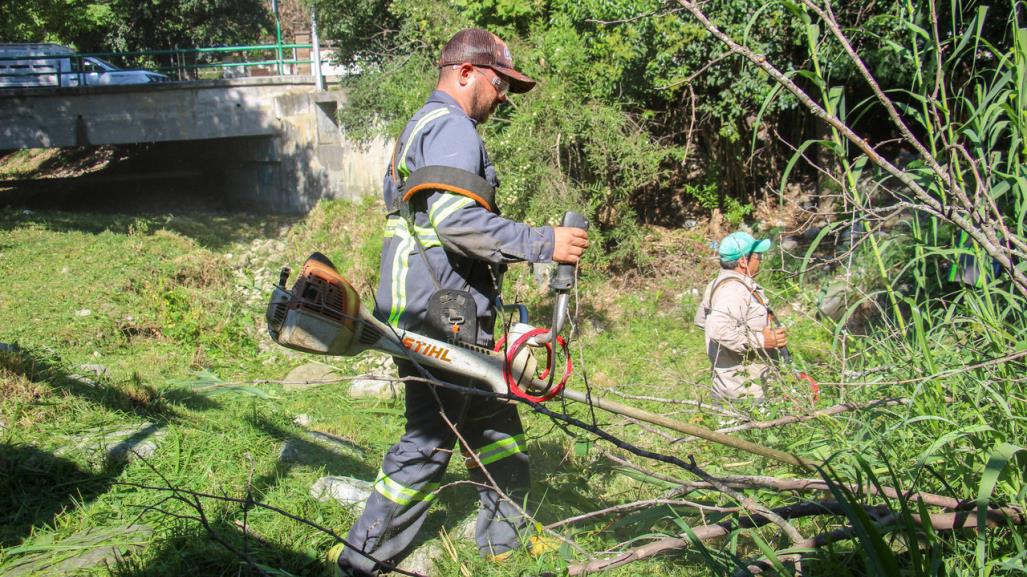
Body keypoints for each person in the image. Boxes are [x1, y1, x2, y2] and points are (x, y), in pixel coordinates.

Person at [332, 28, 589, 576]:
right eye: (500, 83)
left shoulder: (424, 125)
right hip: (437, 319)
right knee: (428, 443)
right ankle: (360, 562)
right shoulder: (453, 128)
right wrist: (546, 243)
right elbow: (458, 225)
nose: (503, 97)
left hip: (433, 309)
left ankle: (502, 542)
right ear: (466, 72)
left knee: (496, 429)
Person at [694, 231, 787, 401]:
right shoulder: (734, 290)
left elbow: (702, 321)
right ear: (743, 261)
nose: (760, 260)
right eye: (758, 256)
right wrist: (762, 341)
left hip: (727, 385)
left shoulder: (716, 284)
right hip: (746, 391)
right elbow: (718, 330)